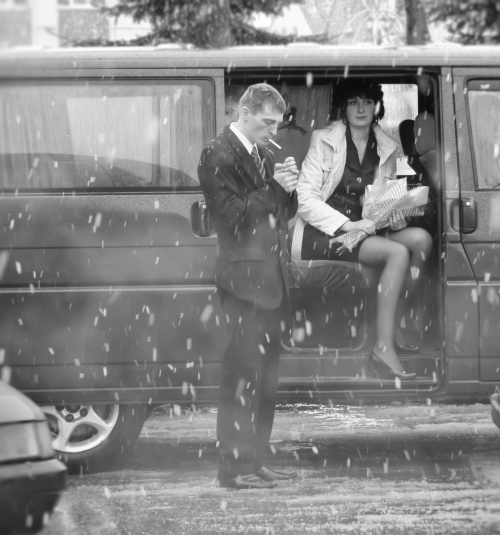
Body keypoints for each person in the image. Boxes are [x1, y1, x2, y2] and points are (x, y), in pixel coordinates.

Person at [289, 79, 433, 380]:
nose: (361, 108)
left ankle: (393, 322)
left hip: (367, 227)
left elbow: (383, 197)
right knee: (397, 253)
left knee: (421, 240)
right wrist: (348, 224)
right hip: (326, 231)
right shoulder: (324, 140)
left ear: (376, 106)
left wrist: (397, 217)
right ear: (343, 106)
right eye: (353, 101)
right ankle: (382, 347)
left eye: (367, 101)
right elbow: (305, 200)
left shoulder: (386, 146)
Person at [198, 83, 299, 490]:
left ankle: (256, 460)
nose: (274, 131)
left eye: (277, 124)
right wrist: (274, 188)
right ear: (245, 113)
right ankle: (232, 469)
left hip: (271, 282)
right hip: (241, 284)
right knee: (240, 379)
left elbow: (280, 214)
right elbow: (232, 218)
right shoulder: (216, 153)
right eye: (267, 122)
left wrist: (288, 189)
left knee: (266, 380)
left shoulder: (266, 153)